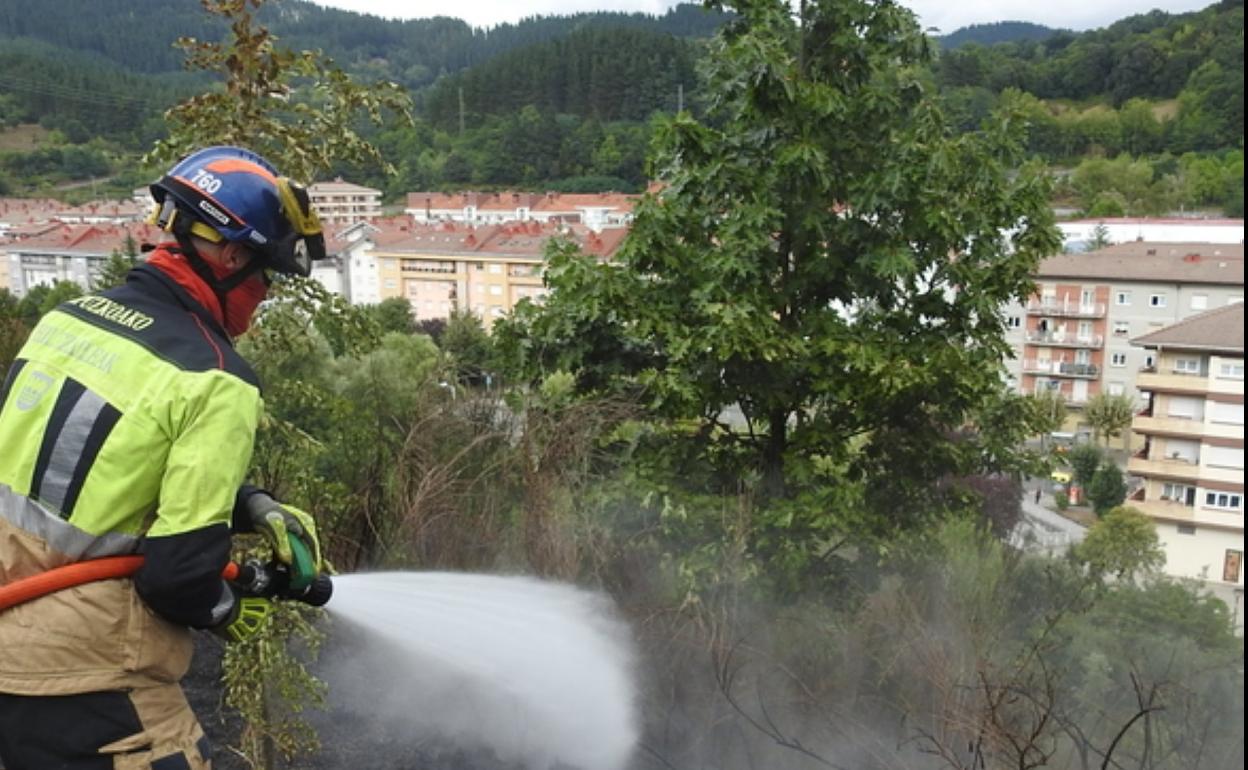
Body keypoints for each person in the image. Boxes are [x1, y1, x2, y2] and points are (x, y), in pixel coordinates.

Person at [0, 146, 326, 770]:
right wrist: (231, 603)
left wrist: (251, 504)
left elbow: (107, 460)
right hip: (89, 681)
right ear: (230, 257)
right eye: (265, 275)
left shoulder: (66, 322)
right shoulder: (215, 376)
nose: (262, 294)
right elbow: (177, 578)